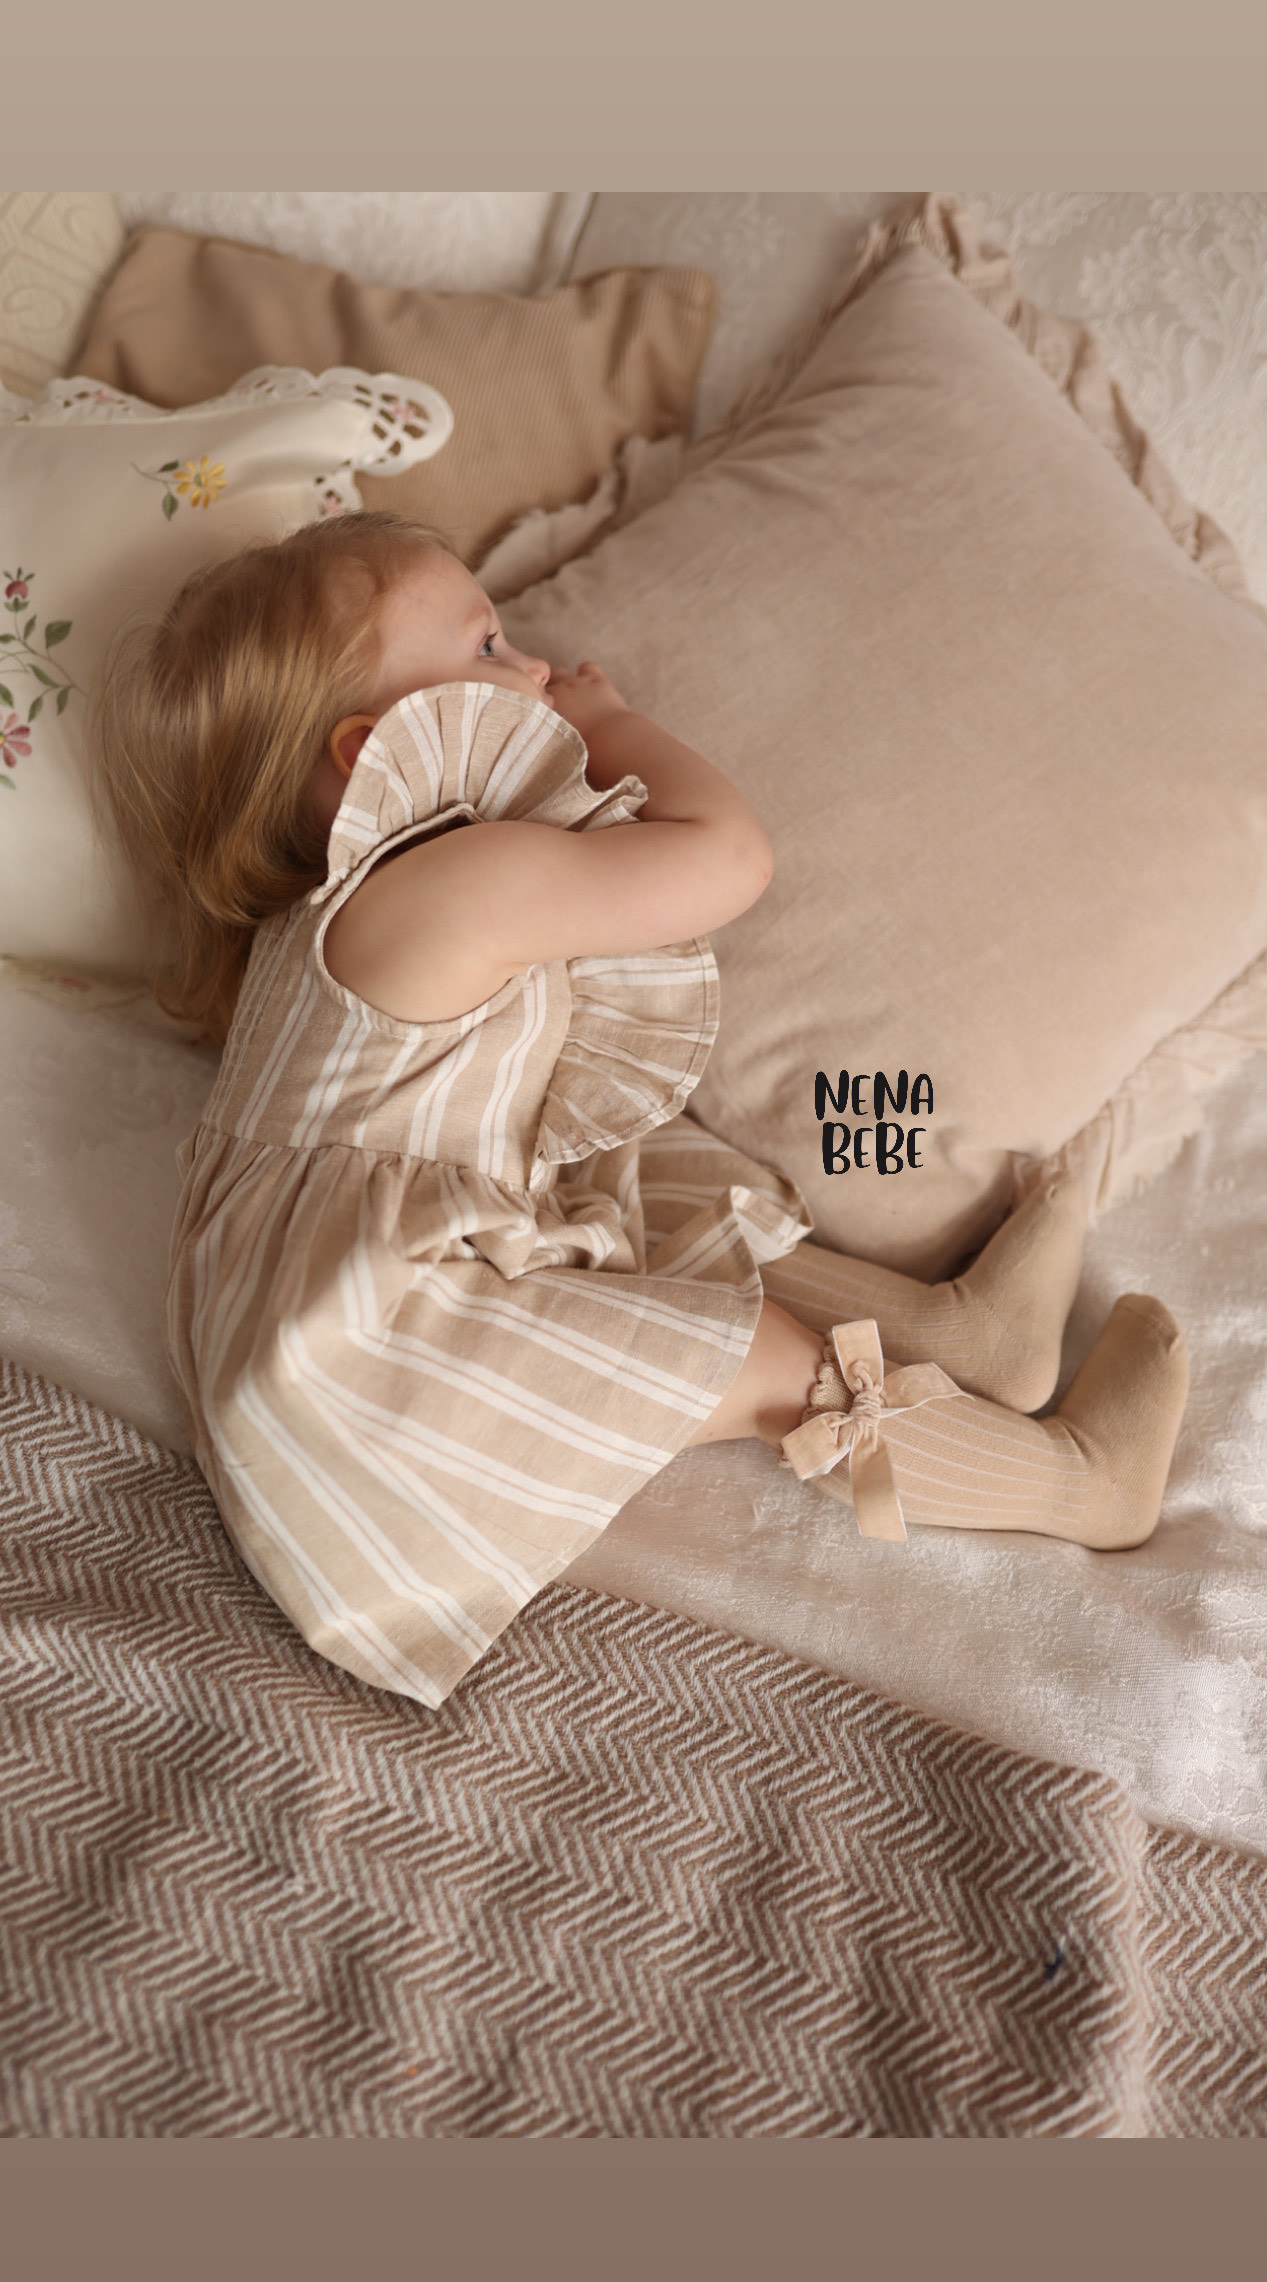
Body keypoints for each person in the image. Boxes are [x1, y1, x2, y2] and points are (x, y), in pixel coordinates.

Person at [91, 510, 1190, 1710]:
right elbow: (725, 860)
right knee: (771, 1368)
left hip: (329, 1326)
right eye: (489, 648)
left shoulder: (318, 919)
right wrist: (610, 726)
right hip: (382, 1366)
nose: (535, 670)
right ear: (375, 750)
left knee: (641, 1179)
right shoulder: (450, 886)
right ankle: (1081, 1482)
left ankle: (965, 1334)